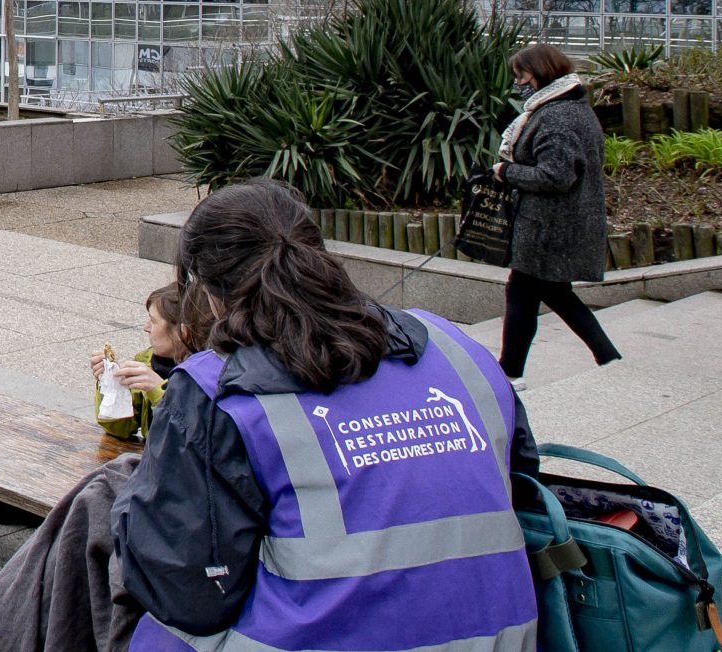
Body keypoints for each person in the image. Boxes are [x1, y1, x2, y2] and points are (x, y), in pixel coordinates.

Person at [112, 179, 540, 650]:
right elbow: (522, 487)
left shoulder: (218, 392)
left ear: (210, 293)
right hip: (505, 635)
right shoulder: (458, 347)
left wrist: (129, 505)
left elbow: (188, 593)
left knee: (119, 577)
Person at [493, 43, 621, 391]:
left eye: (521, 75)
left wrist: (507, 172)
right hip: (559, 225)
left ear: (540, 73)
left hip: (549, 228)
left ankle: (510, 372)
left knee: (529, 292)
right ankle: (606, 357)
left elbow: (556, 176)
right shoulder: (572, 108)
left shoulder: (556, 117)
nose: (518, 83)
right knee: (539, 293)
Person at [87, 283, 213, 443]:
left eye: (153, 321)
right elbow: (121, 428)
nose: (146, 328)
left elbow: (194, 442)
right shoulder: (148, 360)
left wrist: (161, 392)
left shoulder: (208, 377)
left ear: (183, 334)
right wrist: (110, 384)